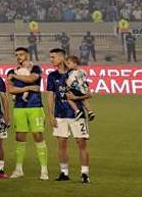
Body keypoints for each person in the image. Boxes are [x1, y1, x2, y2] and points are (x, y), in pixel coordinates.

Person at [47, 48, 90, 183]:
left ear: (61, 58)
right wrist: (50, 115)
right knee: (62, 144)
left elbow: (88, 94)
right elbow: (50, 97)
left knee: (81, 143)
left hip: (77, 114)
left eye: (53, 57)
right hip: (60, 114)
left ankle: (85, 174)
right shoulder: (52, 76)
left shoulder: (76, 74)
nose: (51, 60)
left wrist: (75, 98)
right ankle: (64, 173)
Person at [6, 46, 48, 180]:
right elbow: (11, 90)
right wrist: (28, 88)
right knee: (20, 137)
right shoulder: (10, 71)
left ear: (28, 55)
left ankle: (44, 170)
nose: (19, 57)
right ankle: (18, 169)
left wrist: (16, 78)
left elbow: (32, 78)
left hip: (35, 106)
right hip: (19, 107)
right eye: (17, 55)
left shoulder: (36, 68)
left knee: (38, 136)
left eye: (21, 54)